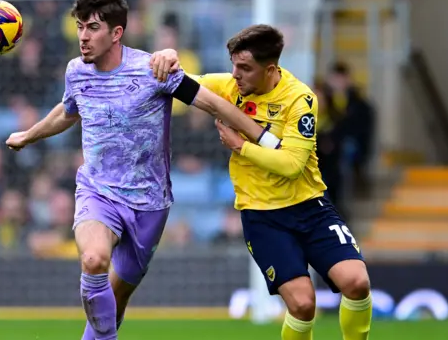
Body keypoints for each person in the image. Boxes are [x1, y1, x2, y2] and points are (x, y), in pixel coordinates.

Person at [5, 0, 281, 340]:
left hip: (148, 204)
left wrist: (266, 138)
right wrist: (29, 134)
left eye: (92, 28)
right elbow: (69, 110)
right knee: (93, 262)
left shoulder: (154, 71)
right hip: (97, 190)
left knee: (115, 303)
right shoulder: (76, 71)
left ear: (116, 33)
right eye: (79, 27)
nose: (83, 37)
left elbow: (214, 104)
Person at [151, 25, 372, 340]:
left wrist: (241, 146)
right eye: (233, 65)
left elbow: (293, 165)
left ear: (270, 69)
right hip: (262, 216)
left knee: (356, 282)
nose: (235, 74)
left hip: (310, 206)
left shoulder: (299, 98)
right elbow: (180, 82)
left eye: (244, 68)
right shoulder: (229, 86)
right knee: (302, 303)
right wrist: (168, 56)